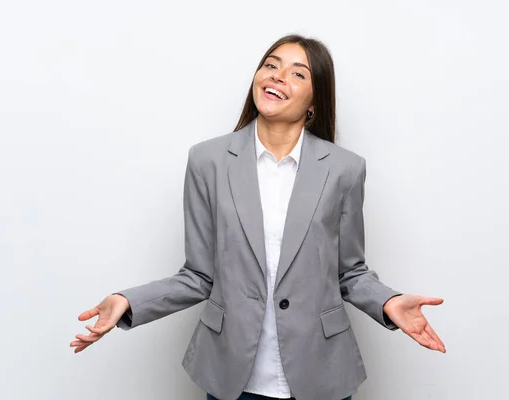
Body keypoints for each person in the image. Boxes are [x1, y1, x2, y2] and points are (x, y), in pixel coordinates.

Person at [71, 34, 446, 400]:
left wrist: (388, 301)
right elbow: (198, 276)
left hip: (321, 371)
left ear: (314, 101)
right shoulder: (207, 161)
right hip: (232, 372)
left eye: (298, 73)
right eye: (271, 65)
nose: (278, 76)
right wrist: (127, 301)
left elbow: (349, 271)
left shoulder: (345, 169)